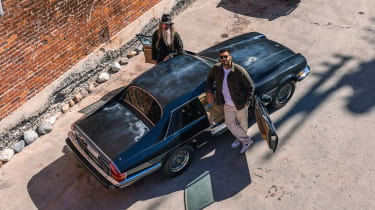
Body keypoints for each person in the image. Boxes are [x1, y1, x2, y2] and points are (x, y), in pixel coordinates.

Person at [206, 49, 255, 154]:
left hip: (240, 104)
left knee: (243, 124)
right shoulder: (217, 68)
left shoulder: (239, 71)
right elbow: (209, 80)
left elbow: (251, 87)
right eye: (221, 57)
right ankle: (246, 140)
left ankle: (240, 139)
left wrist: (247, 102)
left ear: (230, 57)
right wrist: (209, 92)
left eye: (225, 56)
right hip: (227, 104)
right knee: (230, 124)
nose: (224, 59)